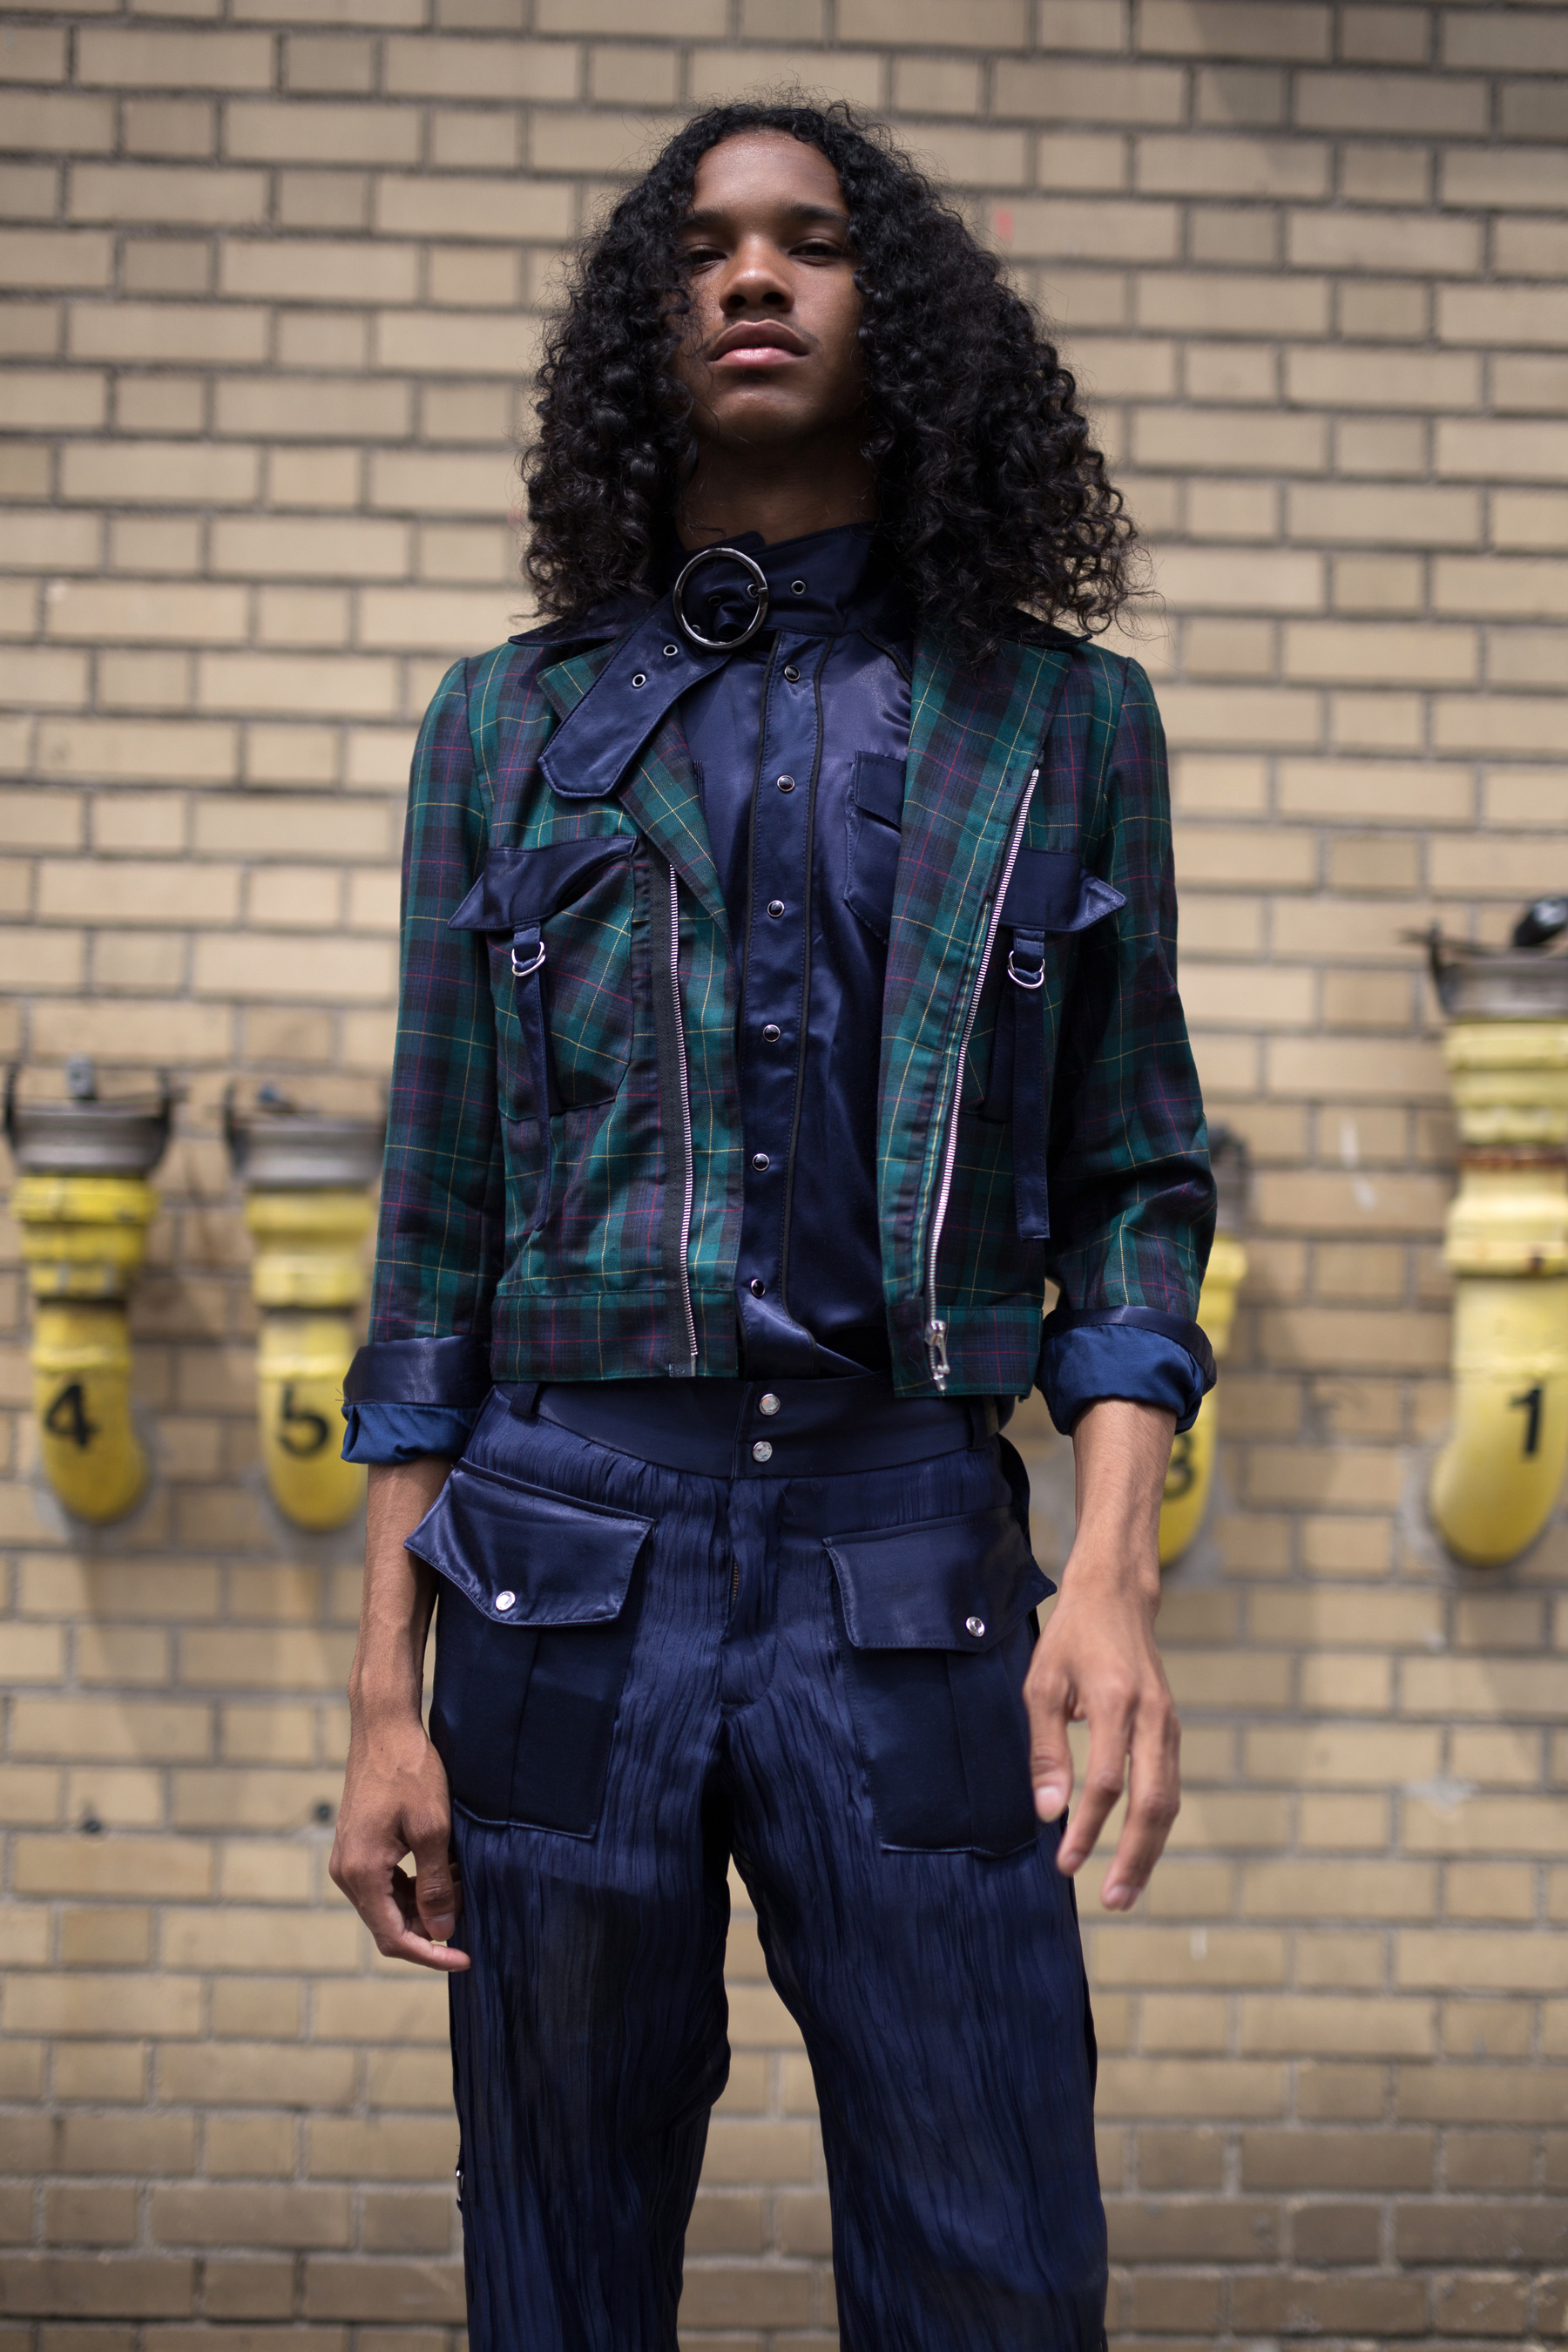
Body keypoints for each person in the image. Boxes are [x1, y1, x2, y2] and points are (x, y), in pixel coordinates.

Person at [329, 99, 1215, 2352]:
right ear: (645, 328)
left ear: (893, 311)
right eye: (706, 245)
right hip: (559, 1574)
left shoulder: (1058, 724)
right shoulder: (507, 728)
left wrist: (1111, 1577)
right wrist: (380, 1702)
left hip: (913, 1568)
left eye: (809, 240)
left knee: (996, 2263)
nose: (750, 275)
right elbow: (434, 1231)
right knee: (559, 2264)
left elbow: (1135, 1184)